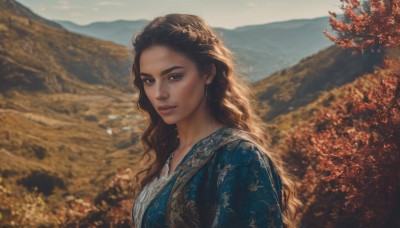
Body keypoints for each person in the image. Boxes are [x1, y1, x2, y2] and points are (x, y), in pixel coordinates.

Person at [130, 14, 300, 228]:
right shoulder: (171, 151)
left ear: (208, 73)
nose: (158, 93)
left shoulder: (239, 157)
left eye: (174, 76)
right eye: (149, 80)